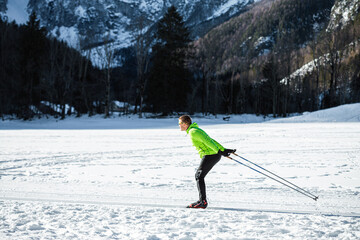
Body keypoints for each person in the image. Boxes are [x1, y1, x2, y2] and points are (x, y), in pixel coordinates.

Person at [178, 115, 235, 209]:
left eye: (180, 123)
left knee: (199, 176)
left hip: (210, 155)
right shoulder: (195, 130)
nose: (179, 125)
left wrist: (220, 151)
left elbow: (208, 142)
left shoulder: (193, 132)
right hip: (212, 154)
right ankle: (202, 200)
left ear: (185, 124)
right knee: (199, 176)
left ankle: (202, 201)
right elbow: (211, 140)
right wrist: (222, 149)